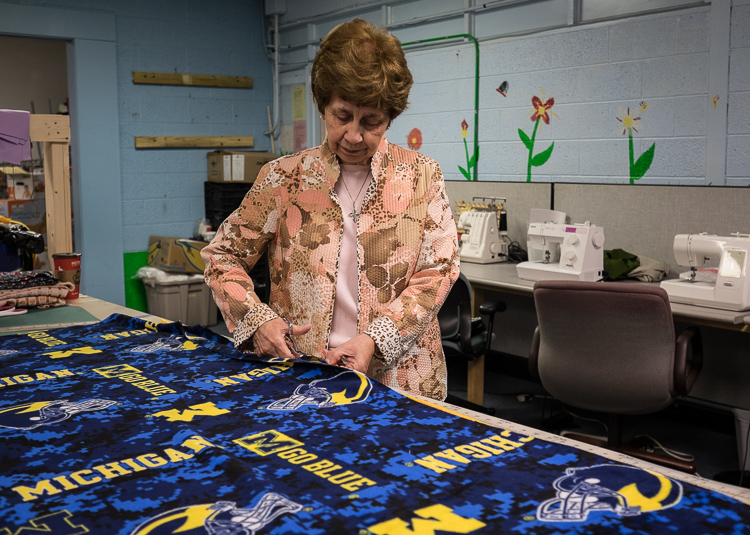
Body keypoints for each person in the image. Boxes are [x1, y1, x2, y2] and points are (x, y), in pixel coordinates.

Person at [201, 18, 459, 401]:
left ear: (391, 117)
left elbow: (438, 272)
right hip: (305, 375)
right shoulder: (283, 179)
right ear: (323, 105)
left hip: (402, 380)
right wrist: (258, 320)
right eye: (342, 116)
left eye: (372, 122)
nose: (354, 135)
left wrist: (376, 339)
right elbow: (222, 256)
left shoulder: (422, 176)